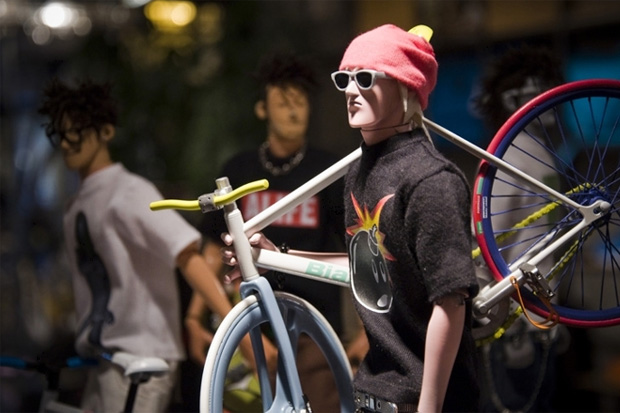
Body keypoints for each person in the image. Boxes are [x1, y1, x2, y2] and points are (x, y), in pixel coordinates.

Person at [224, 25, 480, 412]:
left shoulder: (431, 179)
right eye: (344, 79)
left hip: (421, 399)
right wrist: (276, 256)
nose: (350, 90)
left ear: (405, 85)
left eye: (365, 78)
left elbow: (451, 301)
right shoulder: (360, 172)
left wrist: (429, 406)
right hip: (373, 392)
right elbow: (369, 267)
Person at [37, 78, 253, 413]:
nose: (66, 142)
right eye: (59, 133)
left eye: (76, 131)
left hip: (141, 358)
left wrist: (241, 334)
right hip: (105, 357)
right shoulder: (79, 203)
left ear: (105, 131)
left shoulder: (128, 192)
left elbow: (187, 255)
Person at [185, 51, 366, 412]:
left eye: (300, 102)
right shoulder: (239, 169)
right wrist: (194, 317)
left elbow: (358, 249)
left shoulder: (329, 171)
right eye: (283, 102)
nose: (293, 111)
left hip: (314, 321)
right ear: (262, 109)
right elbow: (212, 249)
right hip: (248, 317)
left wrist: (367, 332)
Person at [471, 45, 567, 413]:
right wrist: (500, 322)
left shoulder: (536, 151)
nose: (549, 99)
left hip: (537, 316)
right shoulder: (511, 155)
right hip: (516, 323)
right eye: (536, 90)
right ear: (512, 100)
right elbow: (485, 241)